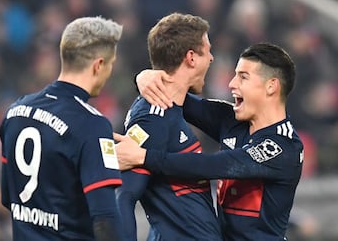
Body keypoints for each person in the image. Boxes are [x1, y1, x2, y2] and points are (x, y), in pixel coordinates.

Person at [114, 42, 304, 241]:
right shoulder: (232, 120)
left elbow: (214, 165)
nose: (232, 84)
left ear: (271, 86)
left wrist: (144, 157)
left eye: (243, 77)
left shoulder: (284, 146)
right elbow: (176, 94)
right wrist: (144, 78)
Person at [0, 16, 124, 241]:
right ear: (98, 65)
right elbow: (105, 217)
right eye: (111, 63)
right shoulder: (92, 124)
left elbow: (8, 197)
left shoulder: (15, 111)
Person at [116, 12, 222, 241]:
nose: (212, 58)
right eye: (208, 50)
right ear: (191, 57)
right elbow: (122, 196)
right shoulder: (153, 116)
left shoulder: (171, 107)